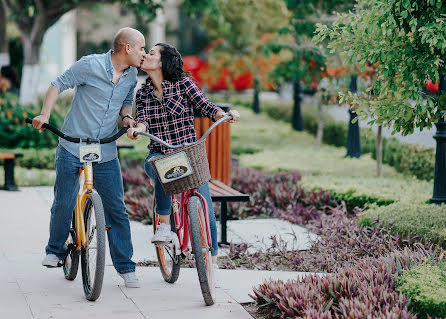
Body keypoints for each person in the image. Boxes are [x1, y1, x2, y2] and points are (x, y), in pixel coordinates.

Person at [31, 27, 146, 288]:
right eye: (141, 48)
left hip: (104, 149)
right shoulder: (90, 65)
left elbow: (126, 102)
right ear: (127, 48)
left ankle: (126, 267)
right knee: (64, 200)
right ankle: (55, 250)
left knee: (116, 207)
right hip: (72, 144)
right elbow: (57, 84)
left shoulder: (131, 75)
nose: (143, 53)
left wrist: (127, 119)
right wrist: (45, 115)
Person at [126, 43, 240, 270]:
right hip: (159, 153)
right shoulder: (144, 93)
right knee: (160, 169)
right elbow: (144, 119)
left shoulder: (184, 84)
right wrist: (136, 128)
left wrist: (225, 114)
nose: (146, 56)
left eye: (152, 53)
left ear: (163, 61)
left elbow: (205, 106)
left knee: (205, 204)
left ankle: (212, 260)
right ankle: (164, 227)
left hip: (188, 155)